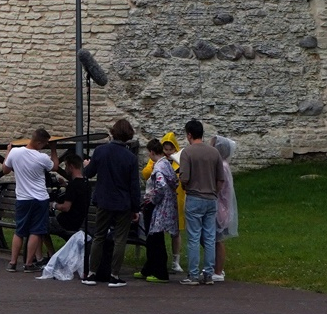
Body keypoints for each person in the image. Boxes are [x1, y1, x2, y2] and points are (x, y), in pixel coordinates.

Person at [83, 118, 141, 287]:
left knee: (99, 236)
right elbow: (134, 185)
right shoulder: (130, 157)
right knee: (120, 238)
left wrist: (87, 164)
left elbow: (88, 172)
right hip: (123, 202)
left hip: (103, 199)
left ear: (113, 132)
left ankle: (92, 272)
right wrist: (135, 207)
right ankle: (114, 275)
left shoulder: (101, 151)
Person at [176, 119, 226, 284]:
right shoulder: (214, 152)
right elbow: (221, 178)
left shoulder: (187, 152)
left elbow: (184, 177)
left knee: (194, 237)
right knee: (210, 236)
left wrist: (185, 185)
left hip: (194, 197)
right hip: (211, 198)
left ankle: (193, 274)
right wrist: (214, 191)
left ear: (189, 135)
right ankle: (209, 274)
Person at [3, 128, 56, 272]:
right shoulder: (42, 157)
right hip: (40, 198)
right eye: (44, 144)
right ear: (39, 142)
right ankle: (28, 264)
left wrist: (8, 152)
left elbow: (5, 170)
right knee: (36, 231)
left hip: (23, 198)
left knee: (19, 231)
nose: (44, 147)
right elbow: (55, 166)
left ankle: (13, 262)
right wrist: (53, 150)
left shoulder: (15, 153)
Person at [138, 137, 178, 281]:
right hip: (167, 205)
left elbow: (161, 186)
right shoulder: (167, 164)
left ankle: (160, 272)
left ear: (153, 152)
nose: (148, 155)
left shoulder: (158, 167)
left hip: (159, 207)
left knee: (155, 239)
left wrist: (153, 199)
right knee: (154, 238)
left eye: (149, 152)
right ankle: (149, 268)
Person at [212, 133, 238, 283]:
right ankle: (216, 266)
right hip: (221, 205)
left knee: (217, 239)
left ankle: (218, 270)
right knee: (214, 239)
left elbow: (220, 187)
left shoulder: (221, 166)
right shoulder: (223, 165)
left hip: (219, 207)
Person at [51, 149, 92, 243]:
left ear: (71, 166)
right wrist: (66, 185)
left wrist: (53, 205)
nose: (65, 169)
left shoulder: (73, 185)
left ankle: (49, 254)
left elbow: (66, 207)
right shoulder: (86, 183)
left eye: (66, 166)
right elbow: (78, 193)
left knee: (39, 225)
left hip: (67, 223)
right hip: (79, 221)